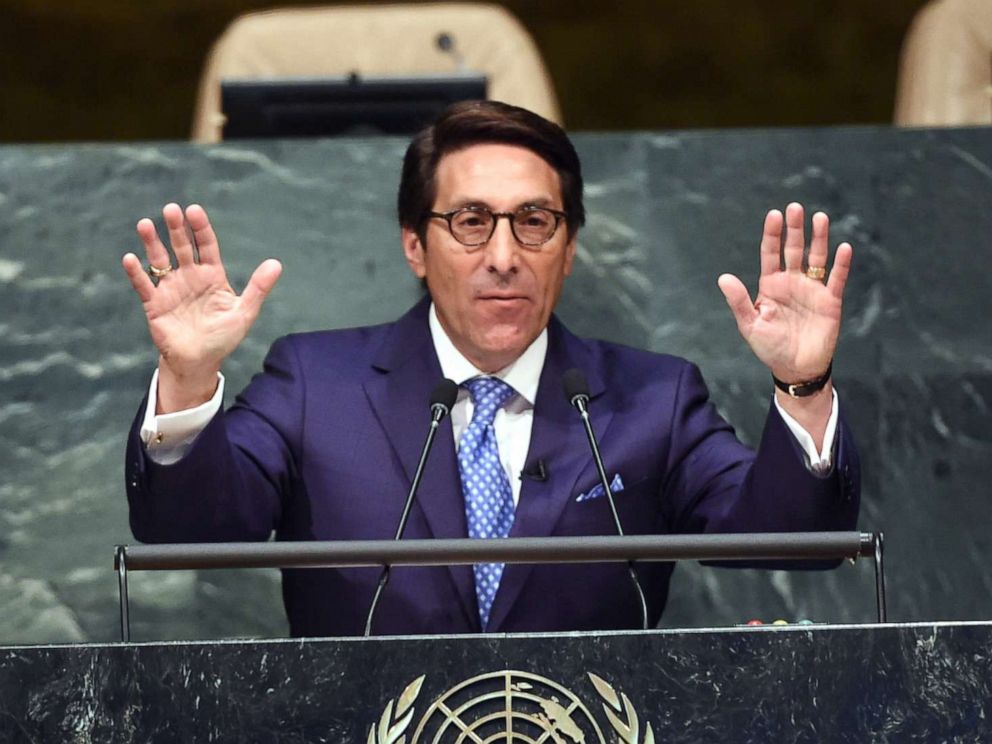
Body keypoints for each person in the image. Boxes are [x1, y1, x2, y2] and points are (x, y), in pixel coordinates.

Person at [122, 101, 859, 637]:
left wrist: (804, 385)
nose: (504, 256)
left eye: (534, 222)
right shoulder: (318, 385)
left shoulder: (652, 399)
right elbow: (188, 527)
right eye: (471, 221)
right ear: (415, 245)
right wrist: (187, 379)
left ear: (568, 249)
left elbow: (792, 536)